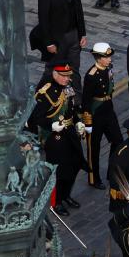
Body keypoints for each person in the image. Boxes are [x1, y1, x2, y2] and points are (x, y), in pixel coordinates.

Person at [29, 62, 90, 215]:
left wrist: (79, 122)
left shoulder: (67, 88)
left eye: (68, 76)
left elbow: (72, 109)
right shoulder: (46, 93)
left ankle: (66, 195)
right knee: (59, 170)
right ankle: (56, 202)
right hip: (54, 137)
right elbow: (35, 117)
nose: (67, 79)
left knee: (75, 164)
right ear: (55, 74)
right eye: (63, 76)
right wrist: (51, 126)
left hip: (69, 132)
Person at [36, 0, 87, 84]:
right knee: (53, 69)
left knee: (74, 69)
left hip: (74, 35)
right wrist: (48, 43)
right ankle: (43, 95)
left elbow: (78, 10)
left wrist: (82, 33)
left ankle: (76, 101)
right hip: (58, 39)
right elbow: (43, 19)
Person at [82, 42, 122, 189]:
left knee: (118, 140)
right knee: (94, 149)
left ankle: (112, 171)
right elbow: (86, 101)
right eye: (106, 57)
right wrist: (88, 123)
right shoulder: (91, 76)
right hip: (96, 114)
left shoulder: (108, 69)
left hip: (108, 110)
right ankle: (94, 178)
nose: (110, 59)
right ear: (98, 58)